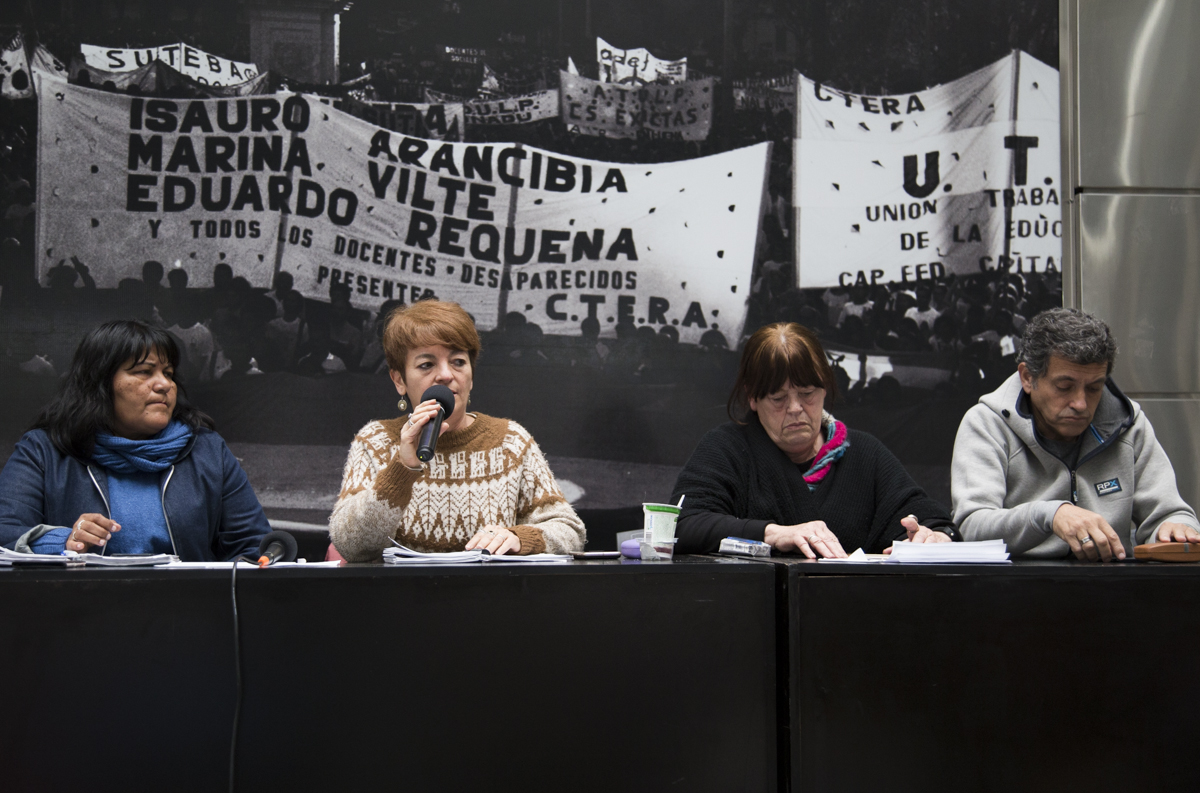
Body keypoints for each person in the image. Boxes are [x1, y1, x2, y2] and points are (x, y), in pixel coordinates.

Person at [670, 322, 957, 557]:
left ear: (825, 388)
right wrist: (773, 533)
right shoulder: (726, 449)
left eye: (807, 393)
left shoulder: (864, 454)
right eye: (778, 398)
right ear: (753, 398)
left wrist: (933, 535)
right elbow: (684, 524)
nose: (795, 408)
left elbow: (927, 517)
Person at [329, 300, 585, 560]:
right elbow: (350, 545)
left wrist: (520, 538)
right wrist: (402, 469)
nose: (445, 375)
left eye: (458, 362)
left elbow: (570, 531)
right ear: (399, 380)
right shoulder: (375, 441)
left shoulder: (511, 441)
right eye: (426, 364)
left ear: (471, 377)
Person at [0, 320, 271, 559]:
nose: (164, 384)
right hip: (79, 600)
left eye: (168, 373)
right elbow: (5, 531)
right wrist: (63, 542)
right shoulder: (45, 450)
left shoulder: (207, 450)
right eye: (144, 371)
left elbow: (252, 546)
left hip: (186, 600)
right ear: (100, 383)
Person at [951, 308, 1200, 561]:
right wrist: (1051, 516)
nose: (1080, 404)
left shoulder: (1128, 424)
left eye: (1094, 388)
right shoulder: (987, 424)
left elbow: (1170, 514)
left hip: (1114, 581)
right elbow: (971, 526)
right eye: (1064, 387)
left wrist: (1177, 529)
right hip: (1017, 582)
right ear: (1027, 378)